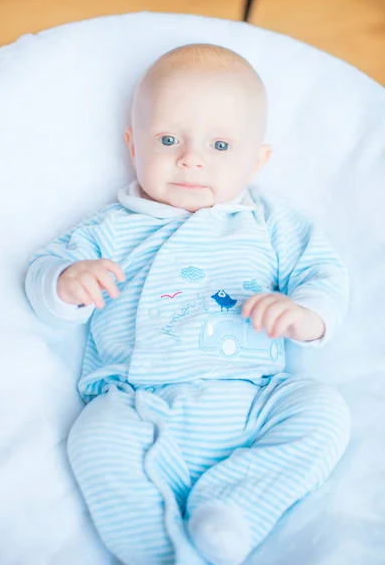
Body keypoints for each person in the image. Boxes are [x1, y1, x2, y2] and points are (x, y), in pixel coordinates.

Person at [25, 43, 351, 565]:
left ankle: (235, 509)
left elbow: (323, 272)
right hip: (136, 401)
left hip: (253, 400)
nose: (191, 158)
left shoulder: (265, 222)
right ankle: (160, 551)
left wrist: (308, 313)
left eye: (220, 144)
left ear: (257, 160)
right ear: (134, 145)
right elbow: (44, 273)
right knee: (93, 439)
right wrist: (66, 281)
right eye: (169, 139)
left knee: (323, 413)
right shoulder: (111, 227)